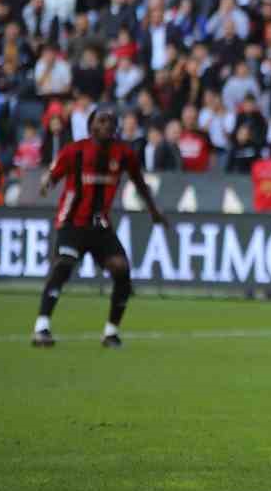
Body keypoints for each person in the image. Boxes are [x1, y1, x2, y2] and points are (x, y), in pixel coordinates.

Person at [31, 111, 169, 348]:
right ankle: (42, 327)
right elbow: (53, 176)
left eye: (111, 121)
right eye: (101, 121)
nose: (107, 125)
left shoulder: (124, 153)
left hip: (100, 225)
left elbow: (139, 182)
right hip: (72, 222)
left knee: (121, 269)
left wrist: (154, 211)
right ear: (90, 126)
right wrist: (46, 184)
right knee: (63, 265)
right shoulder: (75, 150)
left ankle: (111, 333)